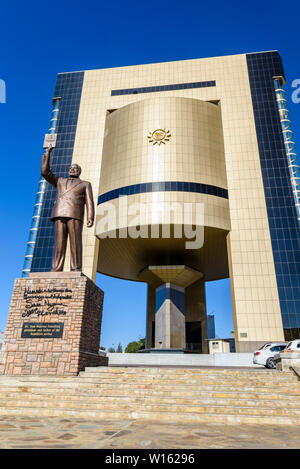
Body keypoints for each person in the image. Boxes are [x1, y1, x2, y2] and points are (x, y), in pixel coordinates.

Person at [41, 146, 94, 272]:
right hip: (59, 213)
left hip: (75, 214)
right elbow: (45, 173)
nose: (73, 169)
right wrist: (47, 153)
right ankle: (56, 268)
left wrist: (90, 217)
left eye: (75, 168)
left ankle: (75, 269)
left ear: (79, 171)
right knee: (59, 243)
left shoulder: (85, 184)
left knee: (75, 242)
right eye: (71, 168)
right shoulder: (60, 181)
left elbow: (89, 201)